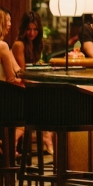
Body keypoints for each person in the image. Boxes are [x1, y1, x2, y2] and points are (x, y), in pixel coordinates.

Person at [12, 11, 54, 154]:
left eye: (35, 29)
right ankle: (46, 135)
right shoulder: (19, 44)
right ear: (23, 29)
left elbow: (31, 69)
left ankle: (11, 143)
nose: (32, 33)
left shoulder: (34, 44)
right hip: (18, 88)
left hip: (27, 87)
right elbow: (22, 73)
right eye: (29, 29)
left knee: (50, 97)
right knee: (45, 101)